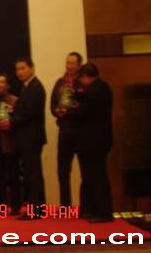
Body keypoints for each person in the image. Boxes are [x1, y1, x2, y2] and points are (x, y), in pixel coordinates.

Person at [0, 57, 46, 220]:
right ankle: (36, 209)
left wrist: (11, 121)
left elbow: (29, 113)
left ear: (32, 68)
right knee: (31, 174)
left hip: (32, 137)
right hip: (26, 137)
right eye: (17, 69)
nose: (19, 72)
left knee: (33, 174)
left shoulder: (35, 87)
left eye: (23, 68)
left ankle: (36, 211)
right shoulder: (27, 86)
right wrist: (11, 114)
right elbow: (23, 111)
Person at [73, 63, 114, 223]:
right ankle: (95, 209)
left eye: (81, 79)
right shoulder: (103, 88)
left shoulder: (94, 91)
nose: (81, 82)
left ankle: (103, 212)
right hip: (99, 139)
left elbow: (83, 110)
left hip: (94, 140)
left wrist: (73, 106)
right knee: (94, 175)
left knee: (96, 176)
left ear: (85, 77)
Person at [50, 52, 84, 209]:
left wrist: (69, 112)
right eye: (67, 63)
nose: (69, 66)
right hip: (64, 130)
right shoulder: (60, 82)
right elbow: (52, 104)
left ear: (79, 65)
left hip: (80, 131)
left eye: (72, 63)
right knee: (62, 171)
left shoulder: (83, 83)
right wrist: (57, 111)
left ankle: (86, 206)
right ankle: (65, 206)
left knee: (85, 170)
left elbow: (85, 106)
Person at [0, 74, 21, 216]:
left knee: (13, 175)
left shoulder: (15, 100)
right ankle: (0, 207)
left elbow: (19, 120)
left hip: (9, 142)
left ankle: (15, 207)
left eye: (2, 82)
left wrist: (9, 122)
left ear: (7, 86)